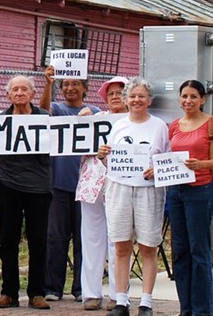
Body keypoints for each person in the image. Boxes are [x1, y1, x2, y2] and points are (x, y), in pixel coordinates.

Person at [96, 78, 170, 316]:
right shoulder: (118, 126)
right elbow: (112, 160)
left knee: (148, 246)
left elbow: (167, 160)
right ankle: (121, 300)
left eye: (141, 96)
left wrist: (156, 170)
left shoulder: (159, 126)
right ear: (126, 100)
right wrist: (102, 155)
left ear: (149, 100)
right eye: (132, 96)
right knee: (120, 246)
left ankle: (146, 301)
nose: (136, 100)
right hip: (119, 188)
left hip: (148, 190)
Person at [0, 75, 53, 310]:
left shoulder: (44, 119)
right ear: (8, 95)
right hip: (8, 185)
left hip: (39, 187)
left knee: (38, 240)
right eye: (14, 89)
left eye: (24, 89)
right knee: (7, 240)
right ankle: (9, 293)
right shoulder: (1, 120)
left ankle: (37, 293)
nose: (19, 93)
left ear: (32, 94)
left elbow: (55, 148)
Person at [167, 80, 213, 316]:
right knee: (180, 251)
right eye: (184, 96)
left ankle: (202, 311)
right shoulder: (174, 126)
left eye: (194, 96)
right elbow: (169, 157)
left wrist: (202, 164)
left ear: (203, 99)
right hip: (176, 192)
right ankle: (186, 308)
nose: (188, 101)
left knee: (199, 251)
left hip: (200, 190)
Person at [40, 66, 101, 302]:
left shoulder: (94, 112)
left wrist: (92, 119)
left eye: (75, 84)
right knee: (55, 237)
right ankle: (53, 287)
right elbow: (42, 112)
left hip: (85, 186)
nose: (70, 88)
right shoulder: (56, 109)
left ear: (85, 88)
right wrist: (48, 83)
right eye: (65, 84)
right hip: (58, 184)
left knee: (83, 238)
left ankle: (81, 288)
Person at [76, 76, 129, 311]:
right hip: (92, 184)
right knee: (91, 239)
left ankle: (119, 295)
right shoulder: (95, 119)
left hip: (120, 185)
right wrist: (79, 121)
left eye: (120, 92)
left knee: (118, 240)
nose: (116, 96)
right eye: (111, 93)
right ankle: (90, 293)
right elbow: (73, 141)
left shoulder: (134, 122)